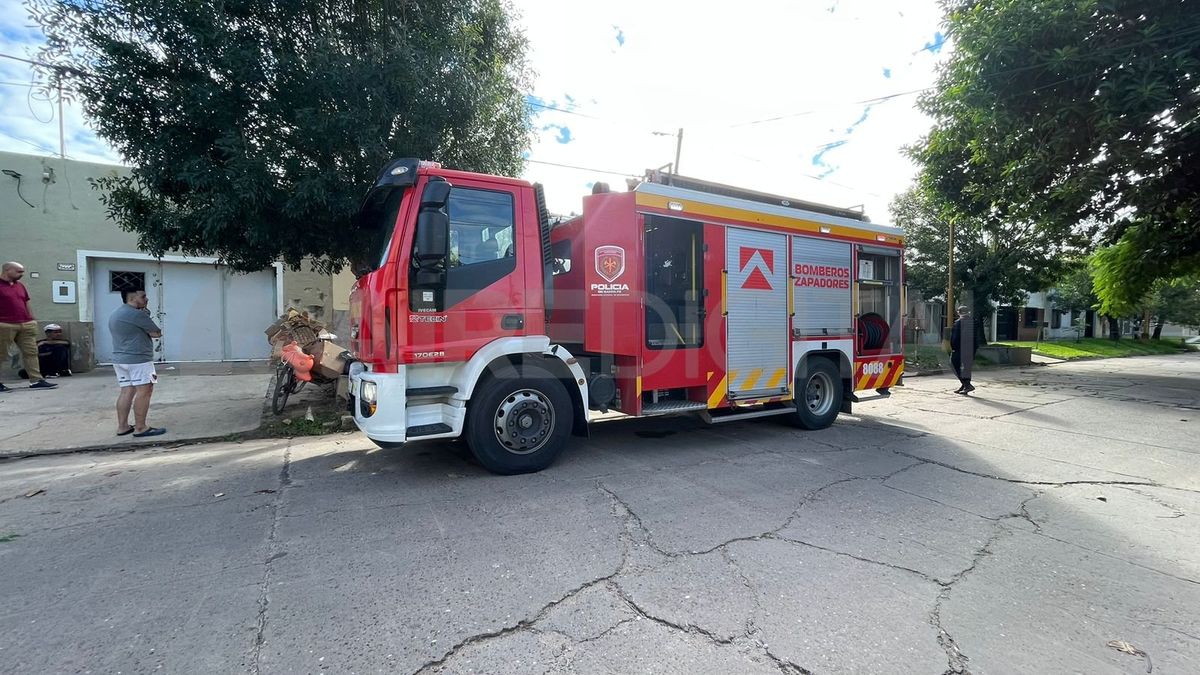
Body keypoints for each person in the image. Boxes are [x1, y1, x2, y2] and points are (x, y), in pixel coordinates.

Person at [109, 288, 167, 437]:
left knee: (126, 391)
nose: (147, 299)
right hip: (138, 360)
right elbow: (156, 333)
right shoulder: (136, 314)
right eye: (143, 296)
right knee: (144, 391)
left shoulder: (117, 313)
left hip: (120, 359)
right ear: (133, 298)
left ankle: (122, 427)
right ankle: (141, 427)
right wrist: (146, 316)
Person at [0, 261, 59, 392]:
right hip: (5, 324)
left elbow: (26, 301)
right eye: (19, 271)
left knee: (31, 353)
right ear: (7, 270)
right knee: (1, 354)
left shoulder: (20, 285)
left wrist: (32, 319)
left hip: (26, 324)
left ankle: (36, 380)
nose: (22, 274)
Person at [950, 305, 985, 395]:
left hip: (960, 348)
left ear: (958, 312)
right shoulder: (974, 322)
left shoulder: (958, 323)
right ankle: (964, 386)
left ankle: (967, 384)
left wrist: (953, 348)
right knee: (967, 368)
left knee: (954, 365)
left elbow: (955, 338)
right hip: (971, 348)